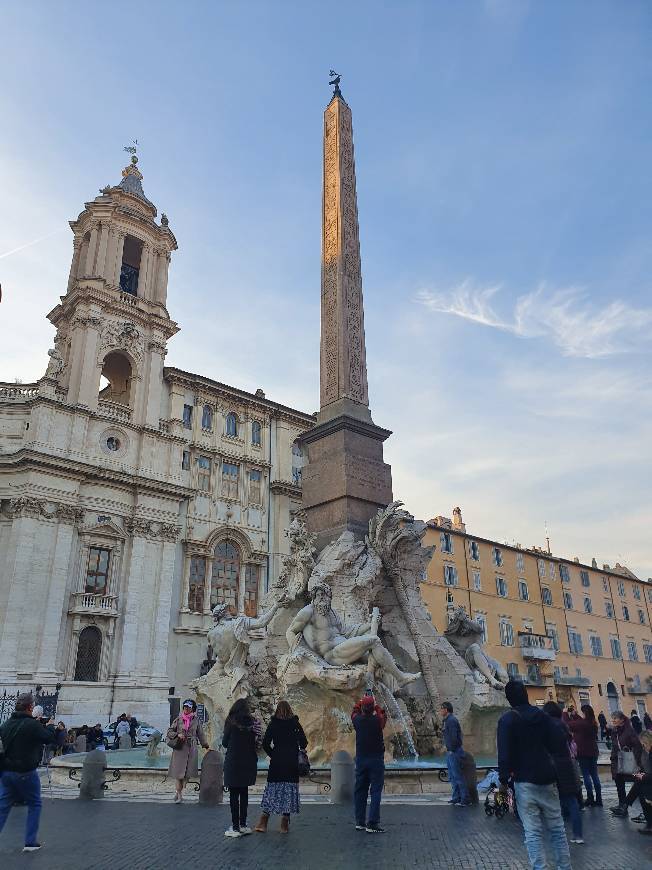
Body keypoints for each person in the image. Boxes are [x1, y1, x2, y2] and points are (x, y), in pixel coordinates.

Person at [497, 680, 571, 870]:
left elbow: (504, 755)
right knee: (557, 829)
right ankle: (565, 867)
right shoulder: (542, 716)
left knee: (532, 832)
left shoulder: (507, 720)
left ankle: (540, 867)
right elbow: (559, 742)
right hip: (547, 777)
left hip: (524, 781)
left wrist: (503, 782)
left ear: (508, 699)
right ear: (526, 694)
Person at [0, 693, 57, 853]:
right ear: (30, 707)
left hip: (6, 772)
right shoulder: (32, 725)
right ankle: (30, 842)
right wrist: (50, 725)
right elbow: (49, 738)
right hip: (25, 772)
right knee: (35, 804)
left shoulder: (6, 724)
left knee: (3, 807)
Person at [255, 700, 308, 834]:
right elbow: (304, 742)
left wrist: (274, 754)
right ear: (290, 710)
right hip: (291, 762)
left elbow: (266, 743)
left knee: (272, 790)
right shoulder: (295, 724)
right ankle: (284, 824)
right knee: (289, 791)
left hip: (277, 762)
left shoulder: (274, 724)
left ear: (277, 710)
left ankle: (263, 822)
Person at [544, 702, 583, 845]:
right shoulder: (564, 726)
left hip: (553, 765)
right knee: (572, 801)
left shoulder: (547, 726)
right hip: (567, 764)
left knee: (553, 802)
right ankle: (578, 835)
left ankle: (557, 835)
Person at [222, 698, 260, 838]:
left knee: (234, 795)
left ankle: (235, 827)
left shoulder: (231, 722)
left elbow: (225, 742)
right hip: (248, 761)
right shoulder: (252, 723)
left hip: (234, 762)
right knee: (244, 793)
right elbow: (256, 742)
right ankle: (243, 825)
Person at [352, 693, 387, 833]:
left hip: (361, 760)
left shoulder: (357, 720)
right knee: (376, 791)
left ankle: (360, 822)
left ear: (362, 707)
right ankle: (372, 823)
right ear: (372, 707)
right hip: (376, 760)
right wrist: (376, 704)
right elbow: (382, 714)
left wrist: (360, 702)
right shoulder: (378, 721)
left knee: (360, 791)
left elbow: (354, 711)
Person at [168, 699, 209, 804]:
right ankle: (180, 794)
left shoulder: (196, 720)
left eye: (189, 707)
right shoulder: (178, 719)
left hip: (191, 748)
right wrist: (178, 734)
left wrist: (206, 746)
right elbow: (169, 732)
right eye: (185, 706)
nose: (186, 708)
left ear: (193, 708)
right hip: (180, 748)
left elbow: (200, 734)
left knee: (187, 774)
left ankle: (178, 792)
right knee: (178, 773)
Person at [563, 704, 602, 807]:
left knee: (586, 775)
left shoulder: (583, 724)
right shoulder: (593, 723)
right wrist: (575, 715)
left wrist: (565, 713)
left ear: (584, 713)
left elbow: (568, 724)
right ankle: (599, 799)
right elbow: (581, 722)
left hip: (583, 752)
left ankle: (590, 798)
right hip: (593, 752)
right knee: (594, 775)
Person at [609, 710, 643, 815]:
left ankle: (626, 805)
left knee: (638, 784)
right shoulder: (615, 731)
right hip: (617, 760)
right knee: (619, 783)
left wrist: (635, 760)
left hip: (628, 760)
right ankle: (621, 805)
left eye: (615, 718)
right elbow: (615, 746)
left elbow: (637, 746)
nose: (613, 720)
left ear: (622, 720)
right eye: (612, 718)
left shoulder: (629, 731)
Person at [618, 730, 652, 833]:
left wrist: (639, 775)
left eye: (643, 743)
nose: (642, 746)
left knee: (641, 788)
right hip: (648, 780)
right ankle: (626, 804)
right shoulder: (648, 752)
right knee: (639, 785)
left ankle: (625, 804)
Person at [440, 701, 470, 807]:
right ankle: (456, 797)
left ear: (446, 709)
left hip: (454, 752)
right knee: (453, 776)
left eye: (441, 708)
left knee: (458, 776)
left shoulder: (451, 721)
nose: (440, 710)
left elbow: (455, 737)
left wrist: (452, 749)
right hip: (450, 752)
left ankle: (464, 799)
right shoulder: (447, 720)